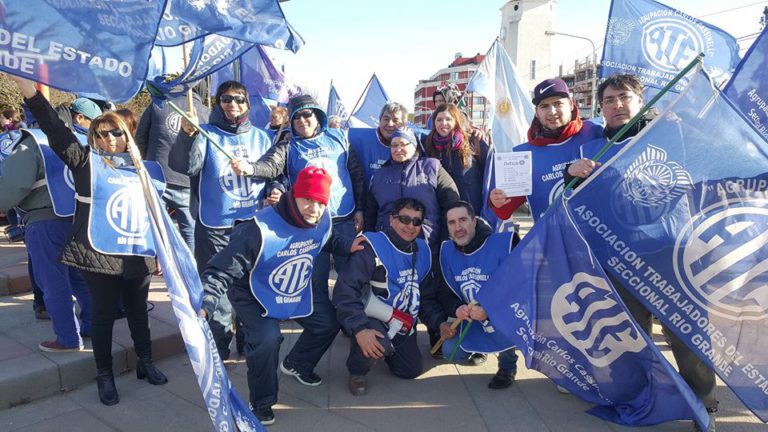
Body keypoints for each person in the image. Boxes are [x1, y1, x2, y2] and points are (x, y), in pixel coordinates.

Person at [567, 74, 719, 432]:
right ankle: (645, 398)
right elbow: (577, 204)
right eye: (609, 100)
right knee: (633, 340)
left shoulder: (670, 134)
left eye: (624, 97)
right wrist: (569, 174)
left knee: (687, 337)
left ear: (641, 100)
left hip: (672, 255)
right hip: (619, 259)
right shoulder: (591, 150)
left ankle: (703, 402)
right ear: (601, 108)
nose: (617, 105)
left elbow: (710, 157)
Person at [10, 75, 168, 406]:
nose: (109, 138)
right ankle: (104, 375)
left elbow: (156, 215)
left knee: (139, 313)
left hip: (136, 253)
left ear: (127, 136)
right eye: (101, 133)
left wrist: (162, 256)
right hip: (99, 254)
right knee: (102, 316)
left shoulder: (145, 169)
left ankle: (146, 362)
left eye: (116, 133)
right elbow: (55, 129)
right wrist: (29, 93)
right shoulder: (85, 163)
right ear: (93, 137)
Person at [199, 167, 361, 425]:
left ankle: (297, 363)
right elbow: (219, 269)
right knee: (266, 339)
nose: (314, 208)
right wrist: (206, 302)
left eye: (320, 202)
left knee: (328, 323)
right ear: (293, 195)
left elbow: (327, 240)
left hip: (293, 286)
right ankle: (261, 402)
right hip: (252, 292)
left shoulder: (322, 219)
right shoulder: (257, 228)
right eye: (307, 199)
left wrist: (346, 245)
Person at [170, 80, 277, 361]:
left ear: (248, 104)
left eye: (239, 99)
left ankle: (248, 339)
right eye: (226, 99)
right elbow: (186, 166)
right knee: (216, 290)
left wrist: (276, 190)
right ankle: (218, 348)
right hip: (215, 224)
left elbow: (273, 174)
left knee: (250, 286)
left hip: (252, 225)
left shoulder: (263, 138)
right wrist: (188, 135)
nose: (233, 104)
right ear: (218, 103)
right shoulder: (204, 133)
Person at [234, 94, 365, 318]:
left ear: (317, 117)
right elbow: (270, 166)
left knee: (350, 275)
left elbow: (356, 174)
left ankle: (352, 321)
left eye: (307, 115)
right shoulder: (288, 146)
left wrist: (361, 208)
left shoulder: (340, 138)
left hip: (344, 217)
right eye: (297, 117)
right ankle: (322, 323)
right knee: (317, 278)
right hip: (312, 223)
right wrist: (250, 169)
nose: (302, 120)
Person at [364, 128, 460, 354]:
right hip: (388, 248)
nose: (398, 149)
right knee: (393, 290)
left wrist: (447, 237)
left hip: (426, 243)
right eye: (394, 145)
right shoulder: (379, 175)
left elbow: (452, 201)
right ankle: (389, 331)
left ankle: (436, 332)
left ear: (414, 145)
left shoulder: (432, 167)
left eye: (403, 144)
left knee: (429, 290)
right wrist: (368, 240)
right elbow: (370, 211)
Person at [0, 124, 92, 353]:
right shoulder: (76, 137)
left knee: (53, 281)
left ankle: (68, 338)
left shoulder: (30, 144)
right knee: (79, 276)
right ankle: (95, 324)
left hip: (44, 221)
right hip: (78, 217)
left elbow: (14, 186)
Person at [333, 198, 434, 396]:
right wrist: (359, 328)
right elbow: (344, 292)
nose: (410, 226)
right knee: (375, 341)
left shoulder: (423, 250)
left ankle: (386, 348)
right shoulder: (371, 246)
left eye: (416, 221)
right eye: (404, 219)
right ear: (391, 220)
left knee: (410, 371)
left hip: (404, 320)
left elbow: (428, 295)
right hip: (373, 316)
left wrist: (439, 324)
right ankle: (357, 370)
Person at [488, 78, 603, 222]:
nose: (552, 111)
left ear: (571, 105)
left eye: (558, 104)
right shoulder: (523, 155)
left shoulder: (595, 133)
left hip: (600, 234)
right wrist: (497, 201)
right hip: (553, 237)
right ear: (536, 112)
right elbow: (505, 210)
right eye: (544, 106)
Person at [438, 201, 521, 388]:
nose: (458, 227)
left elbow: (519, 288)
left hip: (502, 315)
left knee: (505, 323)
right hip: (471, 319)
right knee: (450, 352)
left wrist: (490, 311)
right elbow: (444, 289)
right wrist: (455, 308)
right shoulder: (447, 250)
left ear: (474, 221)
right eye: (451, 223)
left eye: (463, 220)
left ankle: (508, 366)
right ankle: (478, 350)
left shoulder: (502, 244)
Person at [136, 84, 211, 253]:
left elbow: (140, 138)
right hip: (187, 180)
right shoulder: (207, 113)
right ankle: (188, 267)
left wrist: (146, 160)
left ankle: (157, 260)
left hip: (157, 174)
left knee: (155, 225)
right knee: (189, 230)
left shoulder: (159, 104)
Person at [424, 103, 490, 214]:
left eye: (448, 119)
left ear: (456, 121)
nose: (443, 123)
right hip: (444, 213)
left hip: (473, 211)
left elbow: (490, 172)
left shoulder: (474, 141)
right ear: (434, 123)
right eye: (439, 120)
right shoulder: (427, 145)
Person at [348, 101, 410, 190]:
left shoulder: (413, 144)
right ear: (379, 121)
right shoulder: (362, 138)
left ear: (404, 125)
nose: (390, 124)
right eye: (386, 119)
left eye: (395, 120)